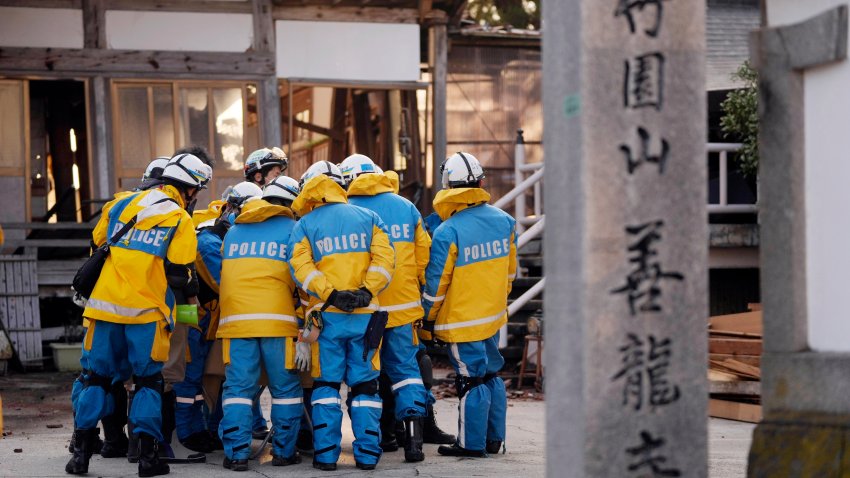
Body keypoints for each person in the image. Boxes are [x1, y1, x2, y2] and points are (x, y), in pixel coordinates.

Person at [66, 153, 212, 477]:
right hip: (146, 313)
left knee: (95, 379)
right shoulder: (179, 218)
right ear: (189, 189)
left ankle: (81, 456)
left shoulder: (120, 205)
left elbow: (97, 243)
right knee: (148, 383)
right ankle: (148, 459)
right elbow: (179, 266)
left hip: (103, 309)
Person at [288, 160, 395, 471]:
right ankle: (367, 456)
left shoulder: (305, 225)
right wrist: (365, 291)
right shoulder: (369, 217)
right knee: (365, 387)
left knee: (326, 386)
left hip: (327, 319)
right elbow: (387, 259)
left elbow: (300, 269)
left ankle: (325, 457)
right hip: (366, 318)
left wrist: (331, 294)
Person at [421, 152, 516, 458]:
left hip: (462, 322)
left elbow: (436, 286)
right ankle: (493, 439)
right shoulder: (505, 222)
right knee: (491, 374)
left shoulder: (448, 231)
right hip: (492, 316)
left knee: (471, 380)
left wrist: (427, 318)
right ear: (481, 183)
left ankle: (471, 444)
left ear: (447, 187)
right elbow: (510, 273)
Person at [342, 154, 429, 462]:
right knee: (406, 372)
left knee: (366, 375)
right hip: (404, 308)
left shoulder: (346, 209)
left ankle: (375, 441)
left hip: (366, 311)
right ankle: (414, 440)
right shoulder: (406, 207)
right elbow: (423, 259)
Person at [216, 180, 303, 472]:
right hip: (278, 323)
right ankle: (284, 452)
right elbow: (301, 279)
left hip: (236, 324)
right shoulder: (293, 231)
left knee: (239, 390)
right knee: (286, 389)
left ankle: (237, 454)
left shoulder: (234, 233)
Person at [173, 182, 263, 454]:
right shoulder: (208, 240)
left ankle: (209, 429)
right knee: (190, 374)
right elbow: (227, 284)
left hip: (210, 316)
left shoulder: (225, 236)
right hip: (191, 314)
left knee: (217, 379)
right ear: (229, 207)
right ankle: (189, 433)